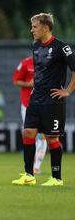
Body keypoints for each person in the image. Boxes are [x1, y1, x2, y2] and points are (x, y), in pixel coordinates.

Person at [12, 13, 75, 186]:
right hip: (36, 97)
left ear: (46, 27)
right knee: (28, 133)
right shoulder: (36, 46)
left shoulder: (62, 48)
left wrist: (68, 90)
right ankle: (29, 175)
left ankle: (56, 178)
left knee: (51, 138)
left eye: (35, 26)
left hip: (52, 99)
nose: (32, 30)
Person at [13, 56, 47, 174]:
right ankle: (31, 165)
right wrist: (30, 84)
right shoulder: (25, 63)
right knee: (31, 133)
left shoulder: (48, 63)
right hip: (27, 105)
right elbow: (16, 81)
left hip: (43, 103)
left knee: (43, 135)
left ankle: (36, 166)